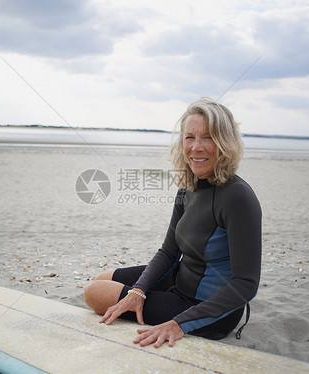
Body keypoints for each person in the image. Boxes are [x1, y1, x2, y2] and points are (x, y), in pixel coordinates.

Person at [83, 97, 261, 348]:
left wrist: (179, 323)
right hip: (178, 280)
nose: (196, 147)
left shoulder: (238, 197)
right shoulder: (187, 187)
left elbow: (246, 284)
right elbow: (168, 251)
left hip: (206, 308)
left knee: (94, 293)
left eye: (208, 137)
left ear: (225, 143)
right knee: (102, 278)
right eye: (190, 137)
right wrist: (138, 291)